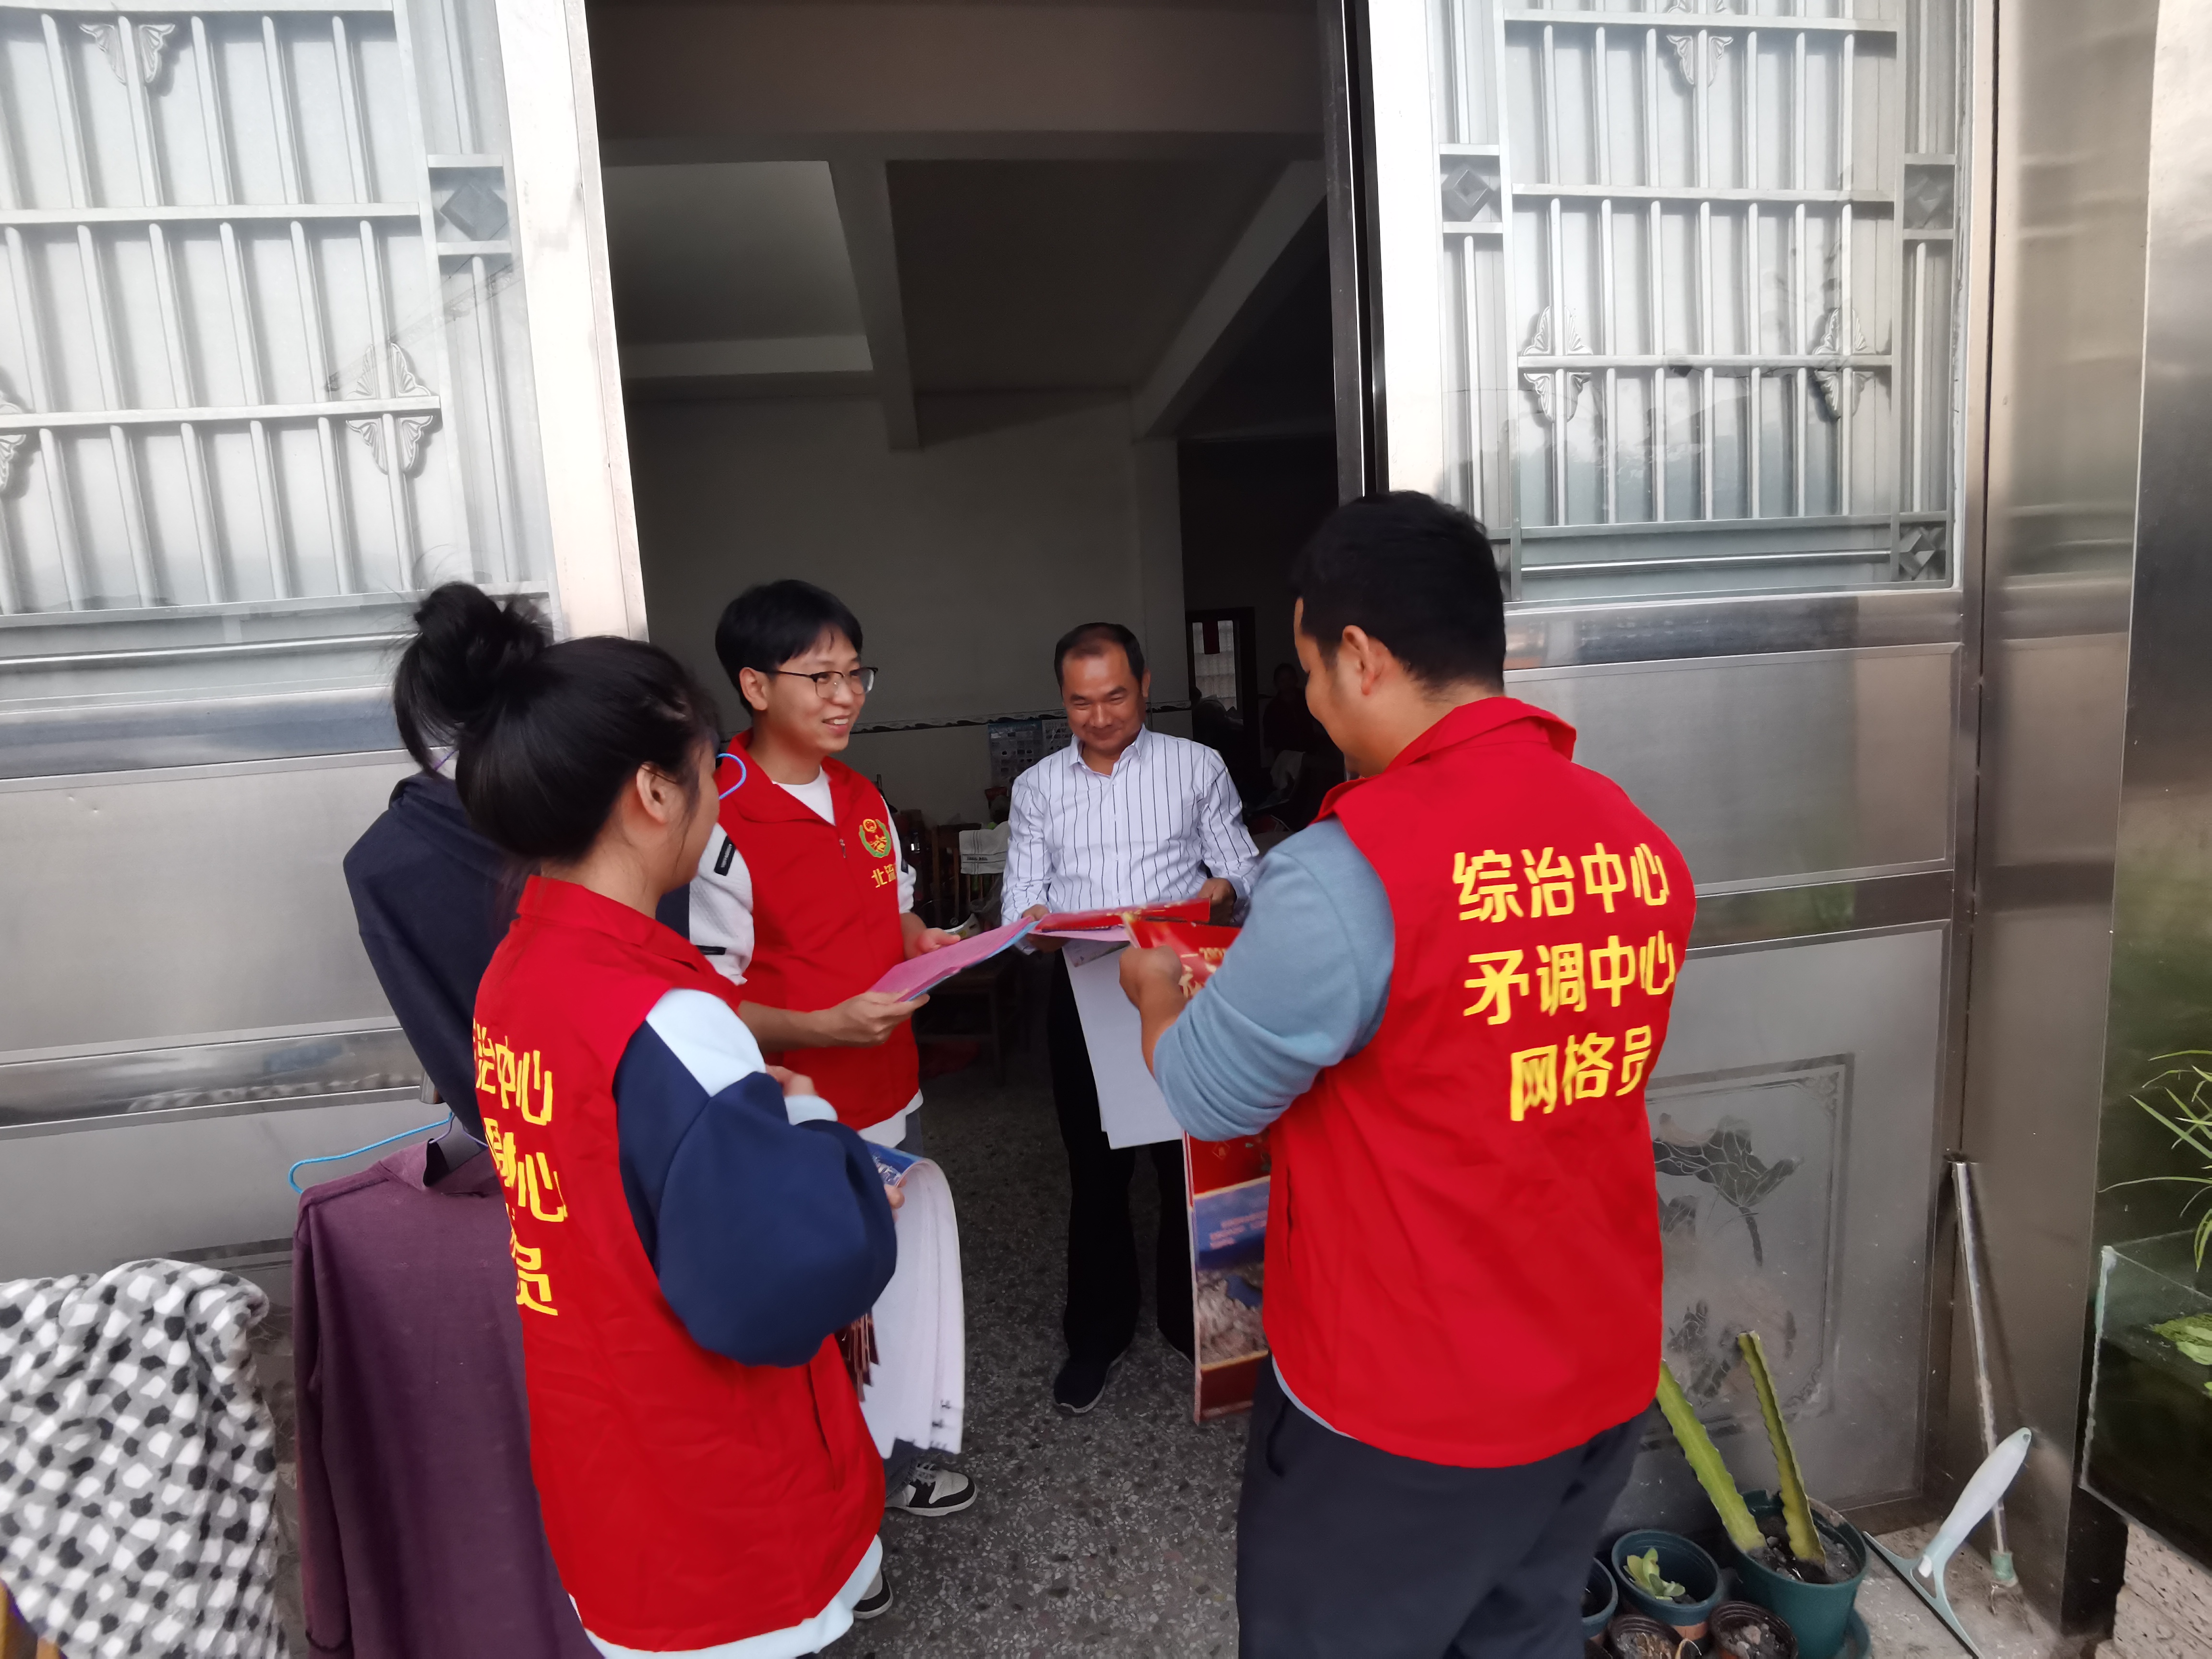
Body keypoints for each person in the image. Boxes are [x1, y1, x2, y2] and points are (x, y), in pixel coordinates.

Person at [1118, 493, 1697, 1658]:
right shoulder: (1633, 838)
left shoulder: (1348, 869)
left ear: (1361, 656)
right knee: (1522, 1636)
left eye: (1310, 673)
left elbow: (1208, 1093)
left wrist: (1157, 994)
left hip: (1402, 1412)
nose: (1311, 702)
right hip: (1595, 1376)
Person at [457, 619, 902, 1652]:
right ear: (654, 793)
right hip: (719, 1483)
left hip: (605, 1454)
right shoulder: (669, 1017)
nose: (718, 800)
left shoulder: (514, 975)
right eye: (708, 773)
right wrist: (824, 1147)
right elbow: (775, 1290)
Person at [691, 578, 976, 1521]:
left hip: (893, 1090)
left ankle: (891, 1460)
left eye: (856, 674)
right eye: (820, 677)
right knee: (816, 1313)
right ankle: (832, 1516)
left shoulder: (861, 796)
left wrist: (928, 943)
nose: (846, 696)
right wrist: (823, 1029)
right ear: (755, 685)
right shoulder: (715, 816)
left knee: (888, 1285)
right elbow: (703, 1004)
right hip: (797, 1113)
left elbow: (895, 918)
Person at [1002, 621, 1260, 1413]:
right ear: (1063, 700)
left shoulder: (1196, 767)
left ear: (1145, 686)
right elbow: (1020, 904)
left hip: (1179, 985)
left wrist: (1222, 892)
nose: (1100, 716)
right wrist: (1034, 926)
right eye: (1081, 703)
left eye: (1115, 697)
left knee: (1185, 1160)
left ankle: (1195, 1321)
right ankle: (1097, 1333)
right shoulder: (1037, 787)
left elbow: (1243, 868)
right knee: (1095, 1170)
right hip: (1083, 991)